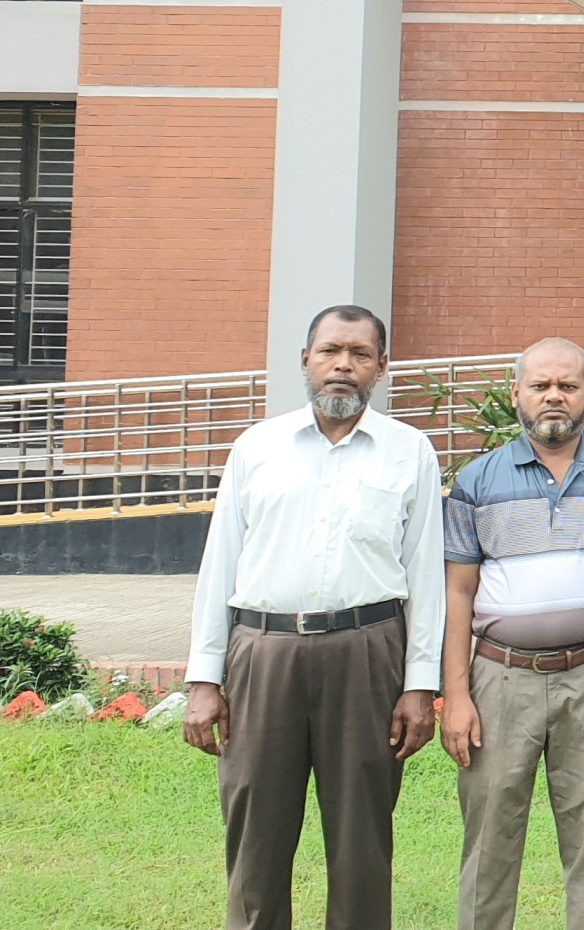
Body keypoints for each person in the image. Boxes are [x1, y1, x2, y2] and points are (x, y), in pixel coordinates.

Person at [182, 304, 446, 930]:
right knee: (255, 830)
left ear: (381, 367)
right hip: (263, 653)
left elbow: (426, 576)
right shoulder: (257, 447)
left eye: (359, 354)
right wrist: (204, 678)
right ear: (306, 360)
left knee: (362, 836)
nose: (343, 366)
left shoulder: (409, 451)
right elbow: (220, 564)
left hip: (367, 652)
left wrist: (420, 686)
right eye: (330, 351)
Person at [440, 337, 584, 930]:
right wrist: (455, 695)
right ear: (517, 393)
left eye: (567, 385)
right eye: (540, 385)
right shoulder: (477, 481)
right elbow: (457, 593)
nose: (554, 396)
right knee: (490, 837)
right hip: (499, 678)